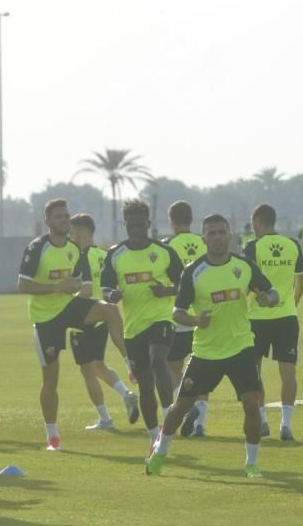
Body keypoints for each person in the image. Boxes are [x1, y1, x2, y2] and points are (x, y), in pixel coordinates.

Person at [146, 214, 279, 478]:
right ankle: (160, 451)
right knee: (181, 407)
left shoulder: (244, 266)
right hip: (206, 352)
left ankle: (252, 463)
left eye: (221, 232)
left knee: (251, 404)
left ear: (229, 236)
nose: (217, 237)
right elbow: (177, 312)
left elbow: (273, 292)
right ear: (204, 238)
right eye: (212, 233)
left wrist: (268, 299)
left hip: (241, 346)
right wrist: (195, 319)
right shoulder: (193, 272)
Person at [19, 199, 127, 451]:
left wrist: (78, 287)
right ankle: (52, 434)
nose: (64, 221)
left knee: (110, 311)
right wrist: (57, 287)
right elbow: (22, 284)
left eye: (66, 217)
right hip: (45, 318)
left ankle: (129, 362)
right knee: (51, 379)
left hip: (68, 307)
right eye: (59, 217)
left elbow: (82, 283)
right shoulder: (36, 248)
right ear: (47, 222)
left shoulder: (74, 249)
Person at [100, 199, 183, 450]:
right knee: (145, 384)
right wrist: (111, 296)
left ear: (148, 224)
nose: (136, 230)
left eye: (140, 225)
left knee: (159, 358)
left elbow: (184, 285)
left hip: (161, 319)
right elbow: (105, 287)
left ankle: (170, 413)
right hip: (133, 328)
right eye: (131, 225)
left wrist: (166, 290)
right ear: (125, 224)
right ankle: (153, 436)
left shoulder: (165, 252)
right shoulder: (116, 254)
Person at [67, 213, 139, 430]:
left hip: (84, 317)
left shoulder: (78, 256)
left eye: (72, 232)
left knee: (87, 371)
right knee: (98, 365)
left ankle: (105, 419)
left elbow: (83, 288)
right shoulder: (103, 255)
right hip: (105, 317)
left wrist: (66, 308)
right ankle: (126, 394)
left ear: (81, 231)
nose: (70, 236)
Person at [243, 204, 303, 441]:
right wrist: (292, 304)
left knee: (254, 370)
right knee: (288, 372)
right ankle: (286, 424)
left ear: (259, 221)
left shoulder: (252, 246)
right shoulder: (293, 245)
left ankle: (262, 420)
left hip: (257, 317)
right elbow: (301, 282)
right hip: (287, 316)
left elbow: (247, 279)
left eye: (252, 222)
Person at [162, 201, 209, 437]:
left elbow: (173, 284)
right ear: (191, 219)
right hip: (205, 314)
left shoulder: (167, 246)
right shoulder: (206, 242)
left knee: (174, 368)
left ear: (171, 220)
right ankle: (201, 422)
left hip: (180, 316)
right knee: (203, 368)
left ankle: (183, 410)